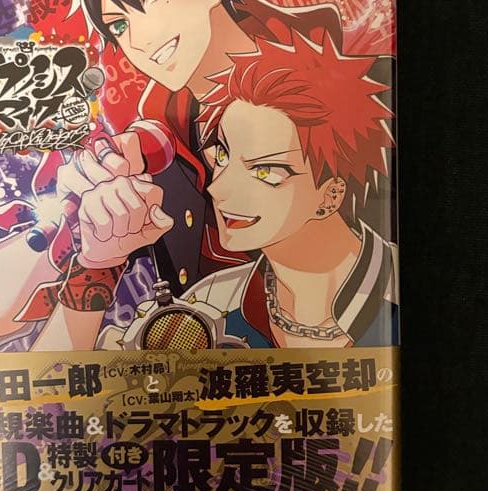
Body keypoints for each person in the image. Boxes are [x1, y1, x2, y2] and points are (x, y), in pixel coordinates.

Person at [0, 0, 346, 349]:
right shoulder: (158, 135)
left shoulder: (334, 74)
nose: (138, 37)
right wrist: (77, 229)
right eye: (118, 23)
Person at [84, 30, 397, 351]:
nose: (217, 188)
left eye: (264, 170)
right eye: (222, 155)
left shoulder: (395, 288)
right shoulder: (211, 300)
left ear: (330, 195)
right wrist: (97, 265)